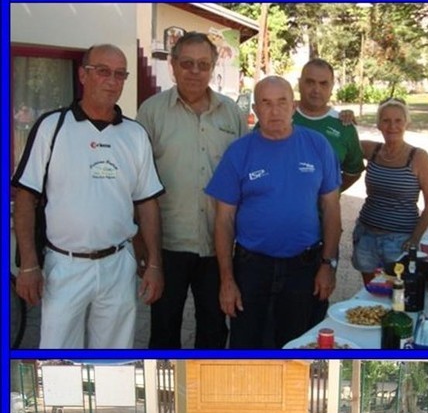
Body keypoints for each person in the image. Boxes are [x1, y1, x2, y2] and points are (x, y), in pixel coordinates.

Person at [12, 45, 164, 349]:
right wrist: (28, 264)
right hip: (64, 265)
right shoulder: (52, 128)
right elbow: (26, 197)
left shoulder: (134, 135)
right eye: (103, 71)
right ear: (83, 75)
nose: (112, 80)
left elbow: (147, 203)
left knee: (114, 356)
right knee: (57, 354)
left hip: (119, 265)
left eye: (120, 74)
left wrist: (155, 264)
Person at [206, 75, 341, 348]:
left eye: (282, 102)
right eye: (266, 103)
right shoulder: (239, 152)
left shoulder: (317, 146)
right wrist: (227, 280)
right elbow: (223, 220)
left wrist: (328, 265)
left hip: (304, 268)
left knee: (298, 345)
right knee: (247, 345)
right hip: (252, 269)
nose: (275, 110)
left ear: (294, 106)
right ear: (255, 111)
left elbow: (331, 209)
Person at [137, 31, 245, 348]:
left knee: (214, 329)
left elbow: (245, 179)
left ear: (213, 68)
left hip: (218, 247)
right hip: (167, 245)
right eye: (187, 63)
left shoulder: (232, 115)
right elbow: (136, 180)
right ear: (172, 66)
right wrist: (140, 243)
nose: (195, 71)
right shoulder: (151, 112)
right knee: (163, 330)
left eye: (203, 64)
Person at [353, 98, 428, 283]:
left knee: (397, 294)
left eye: (398, 120)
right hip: (366, 234)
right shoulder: (370, 149)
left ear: (407, 123)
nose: (392, 126)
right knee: (370, 292)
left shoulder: (419, 157)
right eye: (386, 120)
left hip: (400, 240)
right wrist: (345, 119)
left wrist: (415, 238)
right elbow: (342, 143)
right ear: (378, 124)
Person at [293, 59, 364, 191]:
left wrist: (329, 194)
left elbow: (353, 172)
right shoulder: (279, 117)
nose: (316, 89)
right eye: (310, 82)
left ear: (332, 87)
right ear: (300, 84)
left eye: (323, 84)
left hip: (322, 212)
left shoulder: (344, 126)